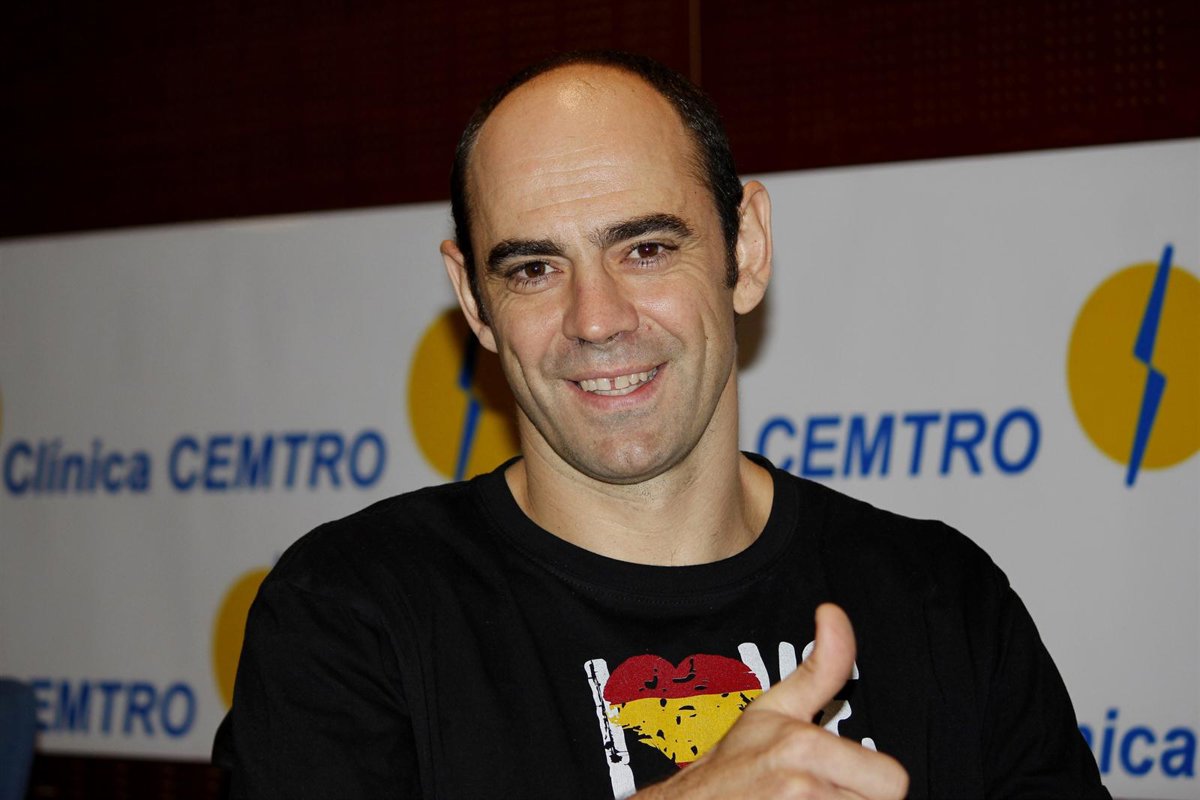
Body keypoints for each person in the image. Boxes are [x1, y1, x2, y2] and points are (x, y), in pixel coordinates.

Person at [214, 51, 1109, 799]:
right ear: (474, 301)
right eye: (532, 269)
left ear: (745, 250)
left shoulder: (938, 596)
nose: (596, 319)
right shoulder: (351, 613)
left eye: (646, 249)